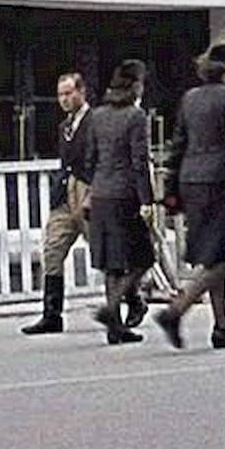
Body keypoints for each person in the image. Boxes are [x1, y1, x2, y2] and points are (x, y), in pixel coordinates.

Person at [154, 42, 225, 350]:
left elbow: (177, 145)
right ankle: (176, 310)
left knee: (213, 253)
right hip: (217, 181)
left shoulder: (190, 98)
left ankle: (221, 326)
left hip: (191, 181)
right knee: (224, 256)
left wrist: (170, 192)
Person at [82, 60, 157, 345]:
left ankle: (116, 326)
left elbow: (89, 159)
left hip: (101, 193)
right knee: (143, 257)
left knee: (113, 264)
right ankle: (116, 306)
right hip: (125, 195)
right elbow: (139, 162)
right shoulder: (136, 116)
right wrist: (147, 200)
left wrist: (98, 181)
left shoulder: (97, 115)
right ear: (137, 85)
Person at [21, 72, 95, 335]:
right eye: (60, 95)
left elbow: (98, 160)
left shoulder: (94, 122)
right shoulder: (64, 126)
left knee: (103, 251)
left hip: (87, 189)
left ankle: (130, 298)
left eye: (68, 93)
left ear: (81, 92)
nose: (64, 99)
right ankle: (51, 313)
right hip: (64, 192)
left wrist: (93, 192)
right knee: (52, 249)